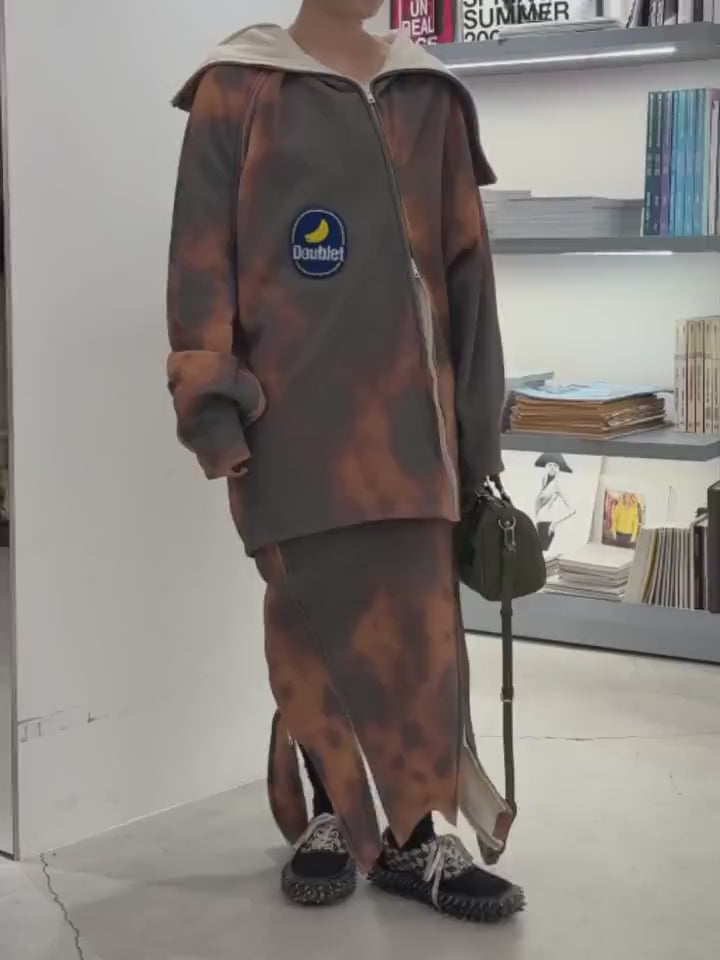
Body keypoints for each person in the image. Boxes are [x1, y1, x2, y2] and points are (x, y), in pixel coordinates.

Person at [166, 0, 524, 922]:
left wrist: (476, 427)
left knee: (421, 641)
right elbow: (201, 263)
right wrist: (213, 413)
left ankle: (413, 838)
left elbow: (466, 268)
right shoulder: (237, 87)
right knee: (313, 629)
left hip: (414, 434)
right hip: (292, 432)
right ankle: (332, 814)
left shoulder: (430, 94)